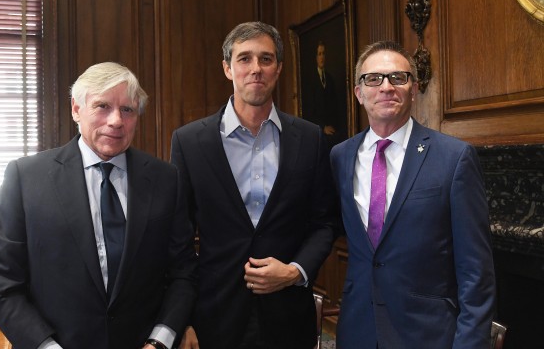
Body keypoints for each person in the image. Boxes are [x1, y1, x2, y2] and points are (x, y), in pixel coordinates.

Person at [0, 62, 198, 349]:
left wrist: (161, 339)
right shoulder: (26, 178)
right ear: (76, 109)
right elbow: (0, 282)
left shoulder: (165, 179)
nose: (116, 121)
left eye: (128, 110)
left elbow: (184, 272)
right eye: (102, 106)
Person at [170, 22, 338, 349]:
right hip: (213, 319)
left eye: (266, 59)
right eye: (244, 59)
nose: (255, 69)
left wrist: (295, 271)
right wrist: (182, 319)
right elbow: (177, 237)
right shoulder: (190, 141)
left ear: (279, 69)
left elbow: (325, 222)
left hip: (289, 317)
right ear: (227, 68)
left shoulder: (310, 138)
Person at [330, 41, 496, 348]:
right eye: (373, 78)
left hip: (427, 334)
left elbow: (476, 271)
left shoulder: (454, 157)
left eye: (398, 77)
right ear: (358, 93)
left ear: (414, 88)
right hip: (357, 330)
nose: (386, 87)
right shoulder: (340, 156)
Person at [302, 41, 342, 148]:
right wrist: (323, 127)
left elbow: (335, 108)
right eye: (319, 54)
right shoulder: (310, 80)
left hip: (332, 130)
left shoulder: (330, 79)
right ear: (315, 57)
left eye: (323, 54)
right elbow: (308, 112)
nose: (322, 57)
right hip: (317, 130)